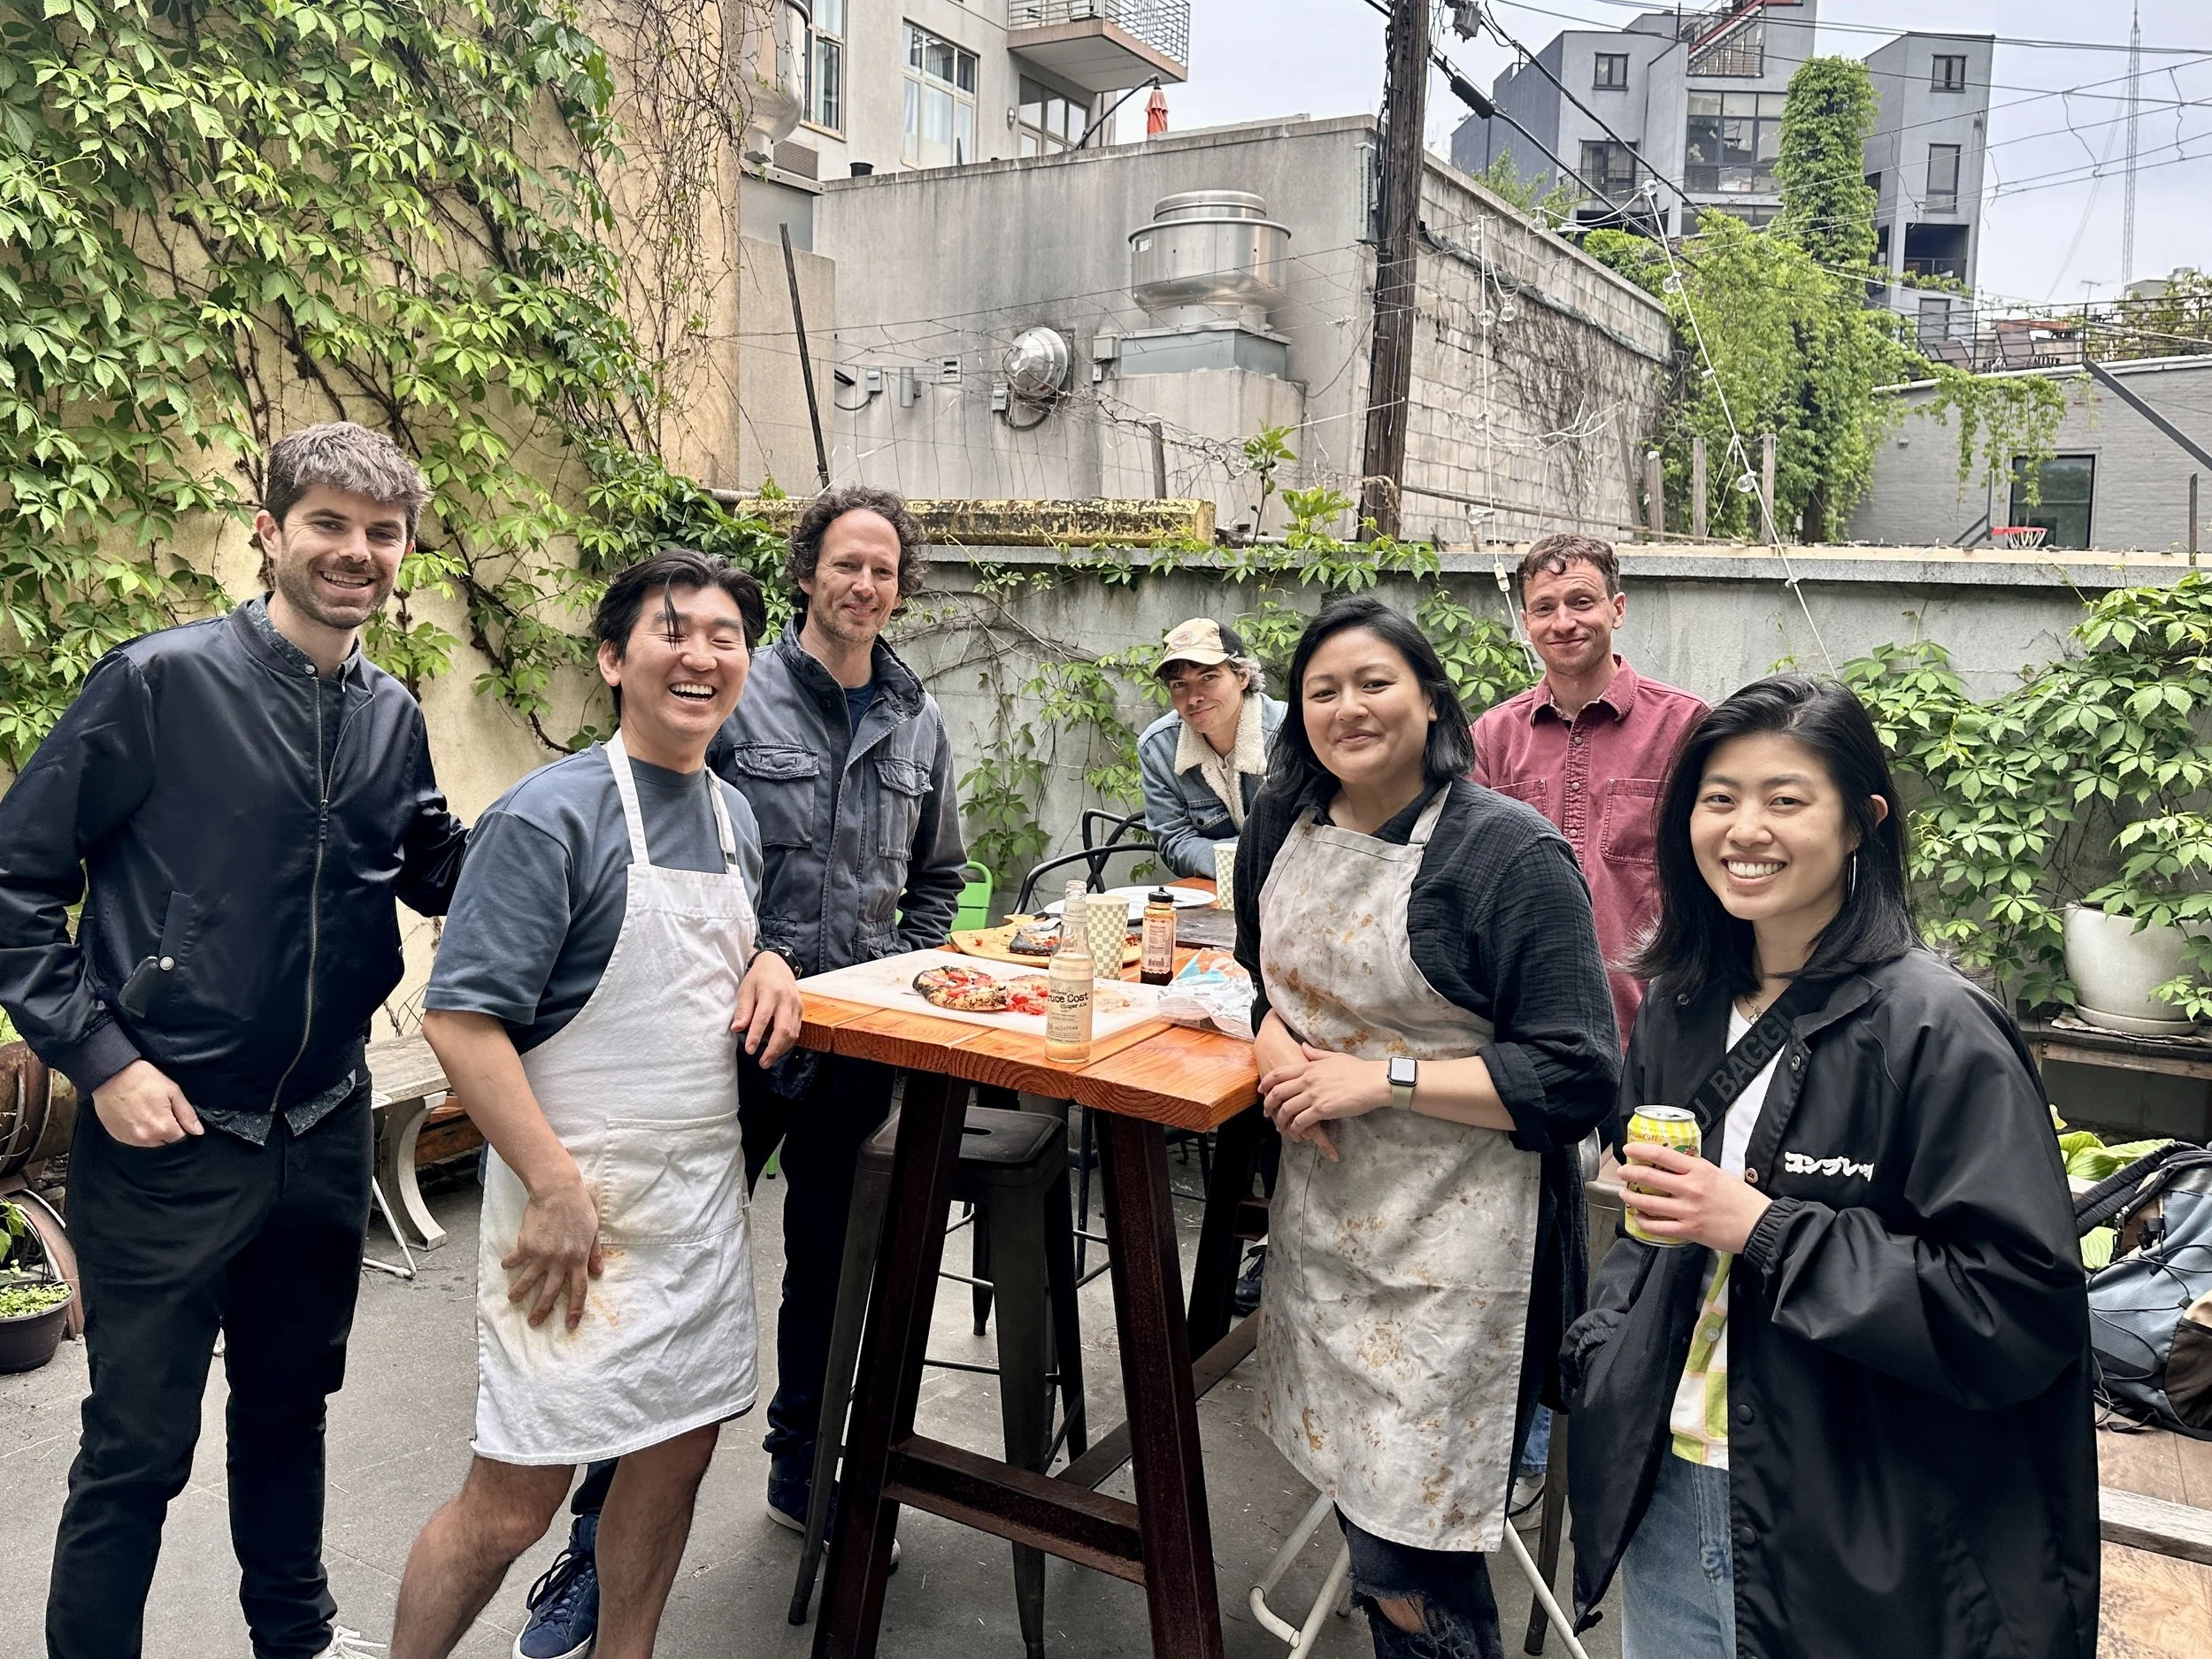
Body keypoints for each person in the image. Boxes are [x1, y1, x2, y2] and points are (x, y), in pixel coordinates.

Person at [0, 423, 469, 1659]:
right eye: (327, 522)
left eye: (380, 532)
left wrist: (580, 829)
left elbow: (436, 871)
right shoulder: (158, 684)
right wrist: (101, 1058)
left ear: (403, 550)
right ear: (268, 531)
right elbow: (15, 881)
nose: (355, 551)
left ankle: (295, 1633)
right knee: (136, 1450)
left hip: (320, 1125)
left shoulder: (391, 715)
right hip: (168, 1134)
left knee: (287, 1409)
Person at [510, 487, 964, 1658]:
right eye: (845, 563)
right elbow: (683, 828)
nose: (865, 584)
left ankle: (802, 1475)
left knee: (828, 1264)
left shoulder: (918, 720)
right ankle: (592, 1546)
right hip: (721, 1040)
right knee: (652, 1279)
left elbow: (935, 880)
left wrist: (886, 976)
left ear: (899, 587)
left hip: (852, 1043)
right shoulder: (738, 685)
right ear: (808, 572)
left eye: (884, 569)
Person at [1563, 675, 2098, 1659]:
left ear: (1862, 822)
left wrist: (1761, 1226)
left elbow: (2021, 1306)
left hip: (1853, 1517)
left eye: (1785, 798)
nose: (1743, 828)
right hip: (1667, 1479)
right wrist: (1605, 1353)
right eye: (1717, 798)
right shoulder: (1678, 1006)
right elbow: (1648, 1233)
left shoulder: (1937, 1029)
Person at [389, 551, 803, 1659]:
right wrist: (556, 1186)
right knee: (514, 1503)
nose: (702, 654)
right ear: (615, 660)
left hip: (696, 1206)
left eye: (727, 636)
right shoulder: (551, 816)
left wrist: (771, 959)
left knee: (673, 1466)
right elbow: (461, 1022)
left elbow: (711, 965)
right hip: (568, 1210)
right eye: (674, 632)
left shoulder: (733, 818)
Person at [1233, 595, 1619, 1659]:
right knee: (1369, 1507)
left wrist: (1377, 1080)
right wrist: (1279, 1056)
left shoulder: (1505, 855)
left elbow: (1579, 1071)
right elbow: (1251, 972)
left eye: (1374, 683)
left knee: (1415, 1557)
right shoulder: (1282, 823)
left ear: (1431, 699)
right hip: (1330, 1220)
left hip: (1462, 1249)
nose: (1347, 708)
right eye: (1322, 690)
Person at [1471, 533, 1707, 1520]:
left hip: (1646, 1035)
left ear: (1619, 608)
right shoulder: (1491, 739)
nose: (1561, 621)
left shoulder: (1685, 731)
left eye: (1579, 601)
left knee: (1653, 1246)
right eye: (1542, 607)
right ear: (1523, 622)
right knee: (1526, 1245)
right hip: (1521, 1038)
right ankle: (1529, 1435)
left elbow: (1706, 882)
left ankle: (1644, 1439)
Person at [1137, 617, 1287, 878]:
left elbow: (1306, 836)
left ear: (1242, 677)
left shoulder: (1291, 733)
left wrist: (1228, 857)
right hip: (1213, 898)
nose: (1193, 698)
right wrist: (1247, 859)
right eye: (1180, 685)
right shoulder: (1158, 748)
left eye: (1208, 677)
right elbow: (1175, 843)